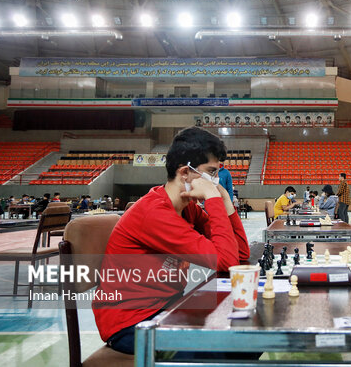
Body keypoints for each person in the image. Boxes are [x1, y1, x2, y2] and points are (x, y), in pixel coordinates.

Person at [92, 127, 250, 356]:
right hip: (131, 323)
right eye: (211, 172)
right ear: (185, 172)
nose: (215, 181)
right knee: (225, 349)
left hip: (168, 307)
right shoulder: (155, 213)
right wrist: (213, 198)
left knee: (243, 339)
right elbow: (226, 260)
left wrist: (225, 202)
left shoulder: (189, 209)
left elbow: (240, 255)